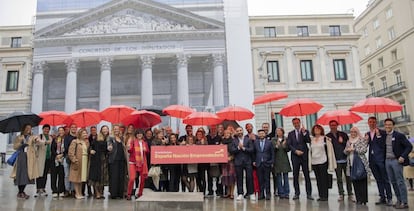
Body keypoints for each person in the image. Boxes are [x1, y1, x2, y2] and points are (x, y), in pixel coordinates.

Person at [383, 118, 412, 209]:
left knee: (400, 181)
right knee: (393, 182)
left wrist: (403, 156)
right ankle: (399, 200)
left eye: (389, 124)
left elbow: (409, 146)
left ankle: (405, 202)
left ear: (393, 125)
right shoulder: (383, 136)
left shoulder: (399, 135)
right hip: (387, 161)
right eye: (386, 124)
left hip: (396, 161)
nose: (387, 126)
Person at [366, 116, 393, 206]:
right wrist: (365, 141)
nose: (372, 123)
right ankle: (382, 197)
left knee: (385, 179)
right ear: (368, 123)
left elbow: (383, 145)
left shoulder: (382, 133)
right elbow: (365, 147)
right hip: (372, 160)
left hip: (381, 159)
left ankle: (389, 198)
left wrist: (378, 136)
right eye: (370, 122)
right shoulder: (367, 134)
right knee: (378, 180)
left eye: (373, 122)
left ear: (376, 123)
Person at [326, 120, 354, 202]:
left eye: (334, 125)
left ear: (337, 125)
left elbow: (349, 144)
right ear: (329, 126)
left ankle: (350, 193)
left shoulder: (343, 134)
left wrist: (343, 142)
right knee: (339, 178)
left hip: (345, 159)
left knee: (348, 177)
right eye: (331, 125)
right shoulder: (328, 136)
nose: (333, 126)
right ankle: (341, 193)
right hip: (336, 160)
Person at [287, 118, 313, 200]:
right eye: (294, 123)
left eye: (297, 123)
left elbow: (308, 141)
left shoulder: (305, 131)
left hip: (304, 156)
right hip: (295, 157)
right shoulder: (290, 134)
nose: (296, 124)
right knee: (295, 175)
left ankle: (309, 193)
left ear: (300, 123)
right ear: (293, 124)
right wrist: (295, 151)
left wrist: (305, 133)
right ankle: (296, 193)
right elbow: (289, 145)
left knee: (307, 175)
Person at [308, 124, 336, 201]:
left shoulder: (324, 139)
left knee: (324, 179)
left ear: (321, 130)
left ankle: (325, 196)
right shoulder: (312, 139)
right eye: (315, 129)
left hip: (323, 160)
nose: (316, 130)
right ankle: (321, 195)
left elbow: (329, 150)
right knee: (318, 179)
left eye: (318, 129)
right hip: (314, 161)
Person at [11, 124, 39, 199]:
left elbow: (37, 142)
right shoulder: (19, 137)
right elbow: (15, 147)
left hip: (29, 157)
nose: (29, 129)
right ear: (24, 129)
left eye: (30, 128)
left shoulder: (32, 137)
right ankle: (20, 192)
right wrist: (21, 144)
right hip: (21, 157)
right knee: (20, 174)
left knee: (27, 175)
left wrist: (36, 140)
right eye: (27, 128)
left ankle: (21, 192)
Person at [344, 126, 370, 205]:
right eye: (351, 132)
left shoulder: (361, 139)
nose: (353, 134)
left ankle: (364, 199)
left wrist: (354, 149)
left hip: (360, 162)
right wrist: (347, 150)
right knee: (355, 181)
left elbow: (364, 150)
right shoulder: (349, 141)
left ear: (357, 132)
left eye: (354, 132)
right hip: (351, 163)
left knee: (362, 181)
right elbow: (345, 152)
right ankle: (358, 199)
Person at [231, 127, 255, 201]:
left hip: (247, 161)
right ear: (236, 132)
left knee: (249, 177)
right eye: (237, 131)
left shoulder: (248, 139)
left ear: (243, 131)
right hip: (238, 162)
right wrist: (238, 147)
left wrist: (244, 148)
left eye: (240, 130)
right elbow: (232, 150)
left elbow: (251, 149)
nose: (239, 132)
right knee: (239, 178)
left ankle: (251, 193)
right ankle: (240, 193)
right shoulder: (234, 141)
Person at [126, 129, 149, 200]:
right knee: (132, 178)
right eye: (138, 134)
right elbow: (129, 151)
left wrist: (146, 150)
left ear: (142, 135)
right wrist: (129, 146)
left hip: (142, 163)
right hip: (133, 162)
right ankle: (129, 194)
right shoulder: (133, 142)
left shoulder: (144, 143)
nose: (139, 135)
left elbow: (148, 151)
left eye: (141, 134)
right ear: (136, 135)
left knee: (142, 179)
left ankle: (140, 193)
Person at [108, 124, 128, 199]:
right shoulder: (110, 137)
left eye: (117, 129)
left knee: (121, 177)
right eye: (115, 129)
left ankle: (120, 193)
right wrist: (109, 148)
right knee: (114, 177)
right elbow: (108, 145)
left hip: (122, 160)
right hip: (114, 160)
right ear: (113, 129)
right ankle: (113, 193)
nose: (116, 130)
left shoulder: (121, 138)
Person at [68, 129, 90, 199]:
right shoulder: (75, 141)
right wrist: (74, 160)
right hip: (78, 161)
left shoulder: (86, 142)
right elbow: (71, 152)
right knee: (76, 178)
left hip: (84, 161)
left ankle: (80, 192)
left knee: (81, 178)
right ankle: (77, 193)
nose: (85, 135)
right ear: (80, 134)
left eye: (86, 133)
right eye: (83, 133)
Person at [88, 125, 109, 199]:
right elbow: (91, 146)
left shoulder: (109, 138)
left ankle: (101, 192)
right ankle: (97, 193)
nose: (105, 131)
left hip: (105, 160)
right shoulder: (97, 137)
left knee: (103, 177)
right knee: (96, 176)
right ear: (101, 130)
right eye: (103, 129)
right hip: (97, 159)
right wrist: (90, 150)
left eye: (106, 129)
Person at [253, 129, 274, 200]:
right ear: (258, 135)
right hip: (259, 163)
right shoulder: (255, 142)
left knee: (267, 179)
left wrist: (271, 162)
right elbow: (254, 153)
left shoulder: (269, 142)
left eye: (262, 133)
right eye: (260, 134)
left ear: (265, 134)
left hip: (267, 163)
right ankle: (261, 194)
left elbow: (272, 153)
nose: (261, 135)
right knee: (260, 179)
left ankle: (268, 193)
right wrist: (254, 161)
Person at [272, 127, 291, 199]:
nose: (278, 132)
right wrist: (277, 145)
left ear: (282, 132)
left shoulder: (286, 139)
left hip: (284, 160)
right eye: (277, 131)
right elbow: (273, 149)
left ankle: (287, 192)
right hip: (277, 160)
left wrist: (284, 145)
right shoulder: (273, 139)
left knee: (286, 176)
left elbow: (288, 149)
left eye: (280, 131)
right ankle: (281, 192)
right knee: (279, 177)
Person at [34, 124, 52, 197]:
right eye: (45, 129)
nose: (46, 130)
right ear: (43, 129)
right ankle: (38, 188)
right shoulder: (39, 136)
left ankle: (43, 188)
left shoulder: (51, 137)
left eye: (48, 129)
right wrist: (45, 142)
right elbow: (37, 143)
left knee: (45, 174)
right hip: (41, 158)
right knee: (39, 173)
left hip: (48, 158)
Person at [208, 124, 224, 197]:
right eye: (212, 128)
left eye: (214, 129)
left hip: (217, 161)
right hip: (208, 160)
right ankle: (210, 191)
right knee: (209, 177)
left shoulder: (219, 138)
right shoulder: (206, 137)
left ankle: (219, 191)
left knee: (218, 176)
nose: (213, 130)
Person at [50, 127, 66, 198]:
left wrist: (62, 155)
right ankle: (54, 190)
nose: (61, 132)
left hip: (63, 159)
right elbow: (52, 149)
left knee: (61, 175)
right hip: (55, 159)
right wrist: (56, 155)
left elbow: (67, 148)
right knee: (54, 175)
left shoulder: (66, 139)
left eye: (62, 130)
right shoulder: (55, 139)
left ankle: (61, 190)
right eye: (59, 130)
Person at [245, 123, 259, 197]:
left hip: (256, 158)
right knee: (248, 177)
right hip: (247, 159)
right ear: (246, 129)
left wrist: (255, 140)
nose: (249, 128)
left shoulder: (257, 137)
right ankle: (249, 191)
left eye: (250, 126)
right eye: (247, 127)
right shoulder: (245, 137)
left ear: (252, 127)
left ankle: (257, 191)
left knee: (257, 176)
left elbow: (259, 147)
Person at [63, 123, 77, 197]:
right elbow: (66, 147)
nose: (74, 128)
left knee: (74, 175)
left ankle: (73, 190)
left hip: (76, 159)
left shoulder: (78, 137)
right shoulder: (67, 137)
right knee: (67, 175)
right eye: (72, 127)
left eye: (75, 127)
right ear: (70, 128)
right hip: (68, 158)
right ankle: (67, 190)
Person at [221, 129, 236, 199]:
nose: (227, 134)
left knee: (231, 177)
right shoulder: (222, 141)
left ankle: (232, 193)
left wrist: (231, 157)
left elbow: (235, 150)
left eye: (228, 133)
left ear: (230, 134)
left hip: (231, 161)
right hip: (224, 162)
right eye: (225, 133)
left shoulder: (233, 141)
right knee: (226, 177)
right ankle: (228, 192)